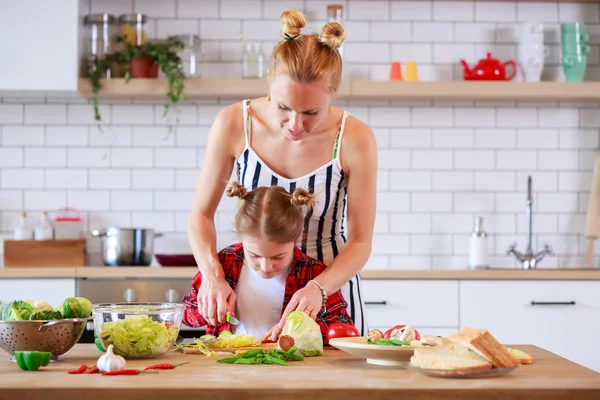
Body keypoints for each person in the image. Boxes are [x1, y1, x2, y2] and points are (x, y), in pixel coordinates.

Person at [188, 9, 377, 335]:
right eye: (283, 107)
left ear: (333, 93)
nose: (294, 124)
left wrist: (318, 288)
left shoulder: (355, 138)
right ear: (269, 85)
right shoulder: (234, 123)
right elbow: (200, 215)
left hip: (328, 295)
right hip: (253, 292)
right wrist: (212, 275)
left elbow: (360, 242)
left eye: (311, 112)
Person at [182, 183, 355, 341]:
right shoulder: (225, 263)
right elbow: (186, 315)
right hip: (228, 367)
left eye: (278, 257)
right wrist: (206, 310)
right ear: (242, 237)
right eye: (254, 255)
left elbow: (343, 328)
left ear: (296, 238)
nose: (265, 267)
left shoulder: (312, 273)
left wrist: (299, 332)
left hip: (291, 371)